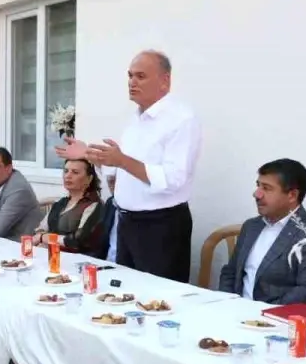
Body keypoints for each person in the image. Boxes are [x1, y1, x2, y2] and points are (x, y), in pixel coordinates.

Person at [57, 50, 201, 282]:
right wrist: (90, 155)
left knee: (157, 297)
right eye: (130, 75)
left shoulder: (181, 119)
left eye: (141, 76)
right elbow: (123, 168)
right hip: (126, 222)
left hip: (159, 226)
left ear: (164, 80)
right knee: (127, 292)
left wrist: (121, 161)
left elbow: (173, 179)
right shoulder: (135, 119)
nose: (132, 82)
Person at [218, 159, 306, 308]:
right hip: (235, 312)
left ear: (292, 195)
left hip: (280, 318)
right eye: (258, 185)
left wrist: (258, 314)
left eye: (266, 188)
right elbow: (230, 273)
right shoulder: (251, 226)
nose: (257, 194)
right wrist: (227, 304)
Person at [33, 159, 109, 257]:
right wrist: (41, 237)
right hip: (53, 255)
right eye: (66, 171)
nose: (68, 176)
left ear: (89, 179)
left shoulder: (95, 206)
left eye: (75, 172)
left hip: (80, 260)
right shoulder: (61, 203)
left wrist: (44, 238)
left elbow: (77, 241)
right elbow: (40, 229)